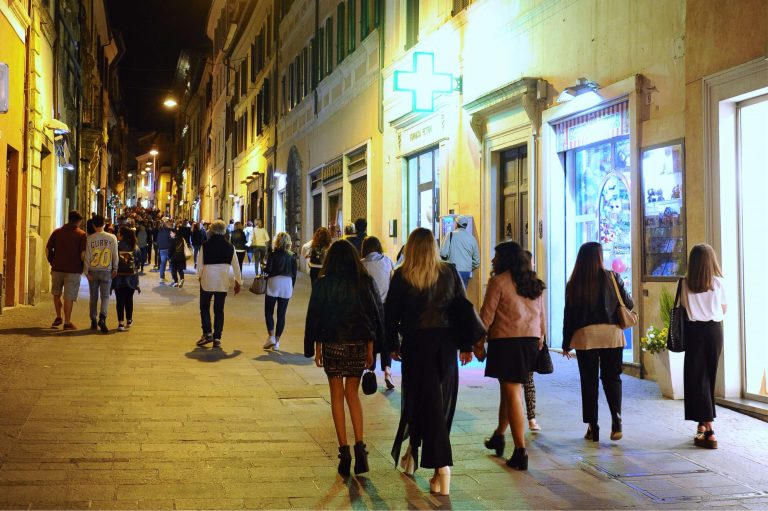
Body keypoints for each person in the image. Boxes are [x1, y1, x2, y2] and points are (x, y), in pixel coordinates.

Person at [385, 228, 474, 496]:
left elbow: (390, 315)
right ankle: (413, 454)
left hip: (416, 346)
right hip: (445, 347)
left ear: (411, 248)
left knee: (423, 402)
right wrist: (466, 345)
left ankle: (441, 468)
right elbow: (463, 310)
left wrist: (392, 345)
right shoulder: (449, 272)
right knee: (435, 403)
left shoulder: (402, 276)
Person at [304, 240, 384, 476]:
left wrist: (316, 347)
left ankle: (344, 452)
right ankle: (360, 448)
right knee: (352, 394)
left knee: (336, 396)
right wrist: (371, 348)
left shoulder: (323, 283)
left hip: (332, 344)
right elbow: (373, 315)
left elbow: (315, 316)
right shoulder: (364, 282)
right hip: (358, 344)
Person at [479, 241, 546, 470]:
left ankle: (520, 451)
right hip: (530, 341)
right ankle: (499, 435)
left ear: (505, 258)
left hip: (507, 341)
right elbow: (541, 316)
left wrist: (477, 343)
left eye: (496, 256)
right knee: (508, 391)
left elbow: (486, 316)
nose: (493, 260)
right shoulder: (533, 282)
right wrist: (540, 339)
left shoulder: (498, 282)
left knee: (512, 392)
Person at [562, 241, 633, 443]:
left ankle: (593, 427)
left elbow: (569, 316)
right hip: (612, 336)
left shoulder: (574, 283)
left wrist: (566, 343)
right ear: (600, 257)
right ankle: (617, 419)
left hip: (586, 338)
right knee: (612, 377)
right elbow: (628, 303)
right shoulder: (613, 277)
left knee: (589, 380)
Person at [682, 243, 726, 449]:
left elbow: (684, 308)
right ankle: (702, 424)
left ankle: (709, 429)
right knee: (708, 377)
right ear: (711, 261)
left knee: (697, 378)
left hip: (694, 332)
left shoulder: (684, 283)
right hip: (715, 331)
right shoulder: (719, 283)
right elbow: (724, 309)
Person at [195, 220, 243, 348]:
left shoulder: (205, 245)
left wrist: (199, 276)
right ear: (224, 230)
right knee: (219, 310)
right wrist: (238, 281)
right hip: (222, 281)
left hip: (207, 280)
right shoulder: (230, 246)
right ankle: (217, 337)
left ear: (212, 230)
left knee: (204, 307)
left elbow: (200, 263)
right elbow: (236, 265)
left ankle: (207, 333)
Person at [360, 235, 396, 389]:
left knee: (371, 337)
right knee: (386, 336)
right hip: (385, 306)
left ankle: (370, 370)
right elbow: (393, 283)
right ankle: (387, 371)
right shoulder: (388, 261)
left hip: (368, 307)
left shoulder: (361, 264)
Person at [46, 210, 87, 330]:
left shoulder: (57, 232)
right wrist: (82, 267)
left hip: (57, 268)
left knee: (56, 293)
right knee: (68, 297)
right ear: (79, 221)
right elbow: (83, 255)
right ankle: (67, 322)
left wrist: (52, 262)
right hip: (73, 270)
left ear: (68, 219)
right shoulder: (81, 234)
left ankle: (58, 316)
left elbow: (48, 249)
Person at [83, 214, 119, 333]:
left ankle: (93, 319)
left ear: (93, 225)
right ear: (104, 224)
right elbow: (115, 255)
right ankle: (102, 318)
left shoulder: (90, 239)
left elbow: (87, 256)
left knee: (93, 296)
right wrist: (115, 268)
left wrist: (86, 272)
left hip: (93, 270)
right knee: (105, 296)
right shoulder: (112, 238)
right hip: (107, 270)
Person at [262, 232, 298, 352]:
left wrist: (263, 268)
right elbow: (294, 274)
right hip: (287, 284)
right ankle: (277, 342)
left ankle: (271, 336)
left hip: (274, 282)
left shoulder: (273, 254)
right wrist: (291, 287)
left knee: (269, 311)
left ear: (277, 241)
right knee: (281, 314)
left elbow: (269, 269)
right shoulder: (292, 255)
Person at [113, 226, 142, 331]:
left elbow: (113, 261)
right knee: (129, 299)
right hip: (131, 278)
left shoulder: (116, 246)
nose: (117, 234)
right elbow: (138, 262)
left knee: (119, 300)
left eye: (118, 233)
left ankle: (120, 323)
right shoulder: (135, 247)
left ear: (122, 235)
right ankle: (129, 320)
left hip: (118, 277)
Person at [439, 216, 480, 289]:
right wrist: (468, 267)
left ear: (456, 224)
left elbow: (443, 253)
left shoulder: (450, 235)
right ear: (466, 226)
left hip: (453, 270)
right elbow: (477, 261)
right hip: (466, 271)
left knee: (452, 292)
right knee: (462, 292)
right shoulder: (472, 238)